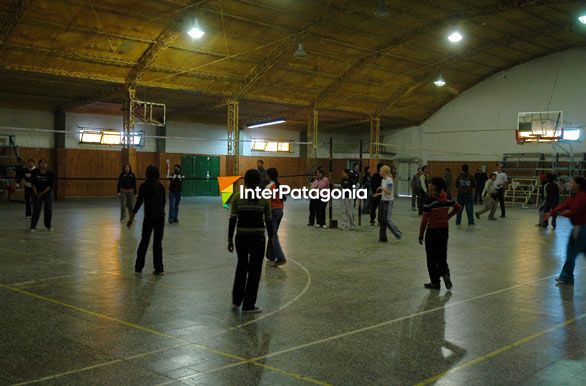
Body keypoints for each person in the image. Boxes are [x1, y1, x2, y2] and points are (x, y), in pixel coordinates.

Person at [228, 169, 274, 313]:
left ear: (245, 181)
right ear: (258, 181)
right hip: (258, 239)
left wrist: (229, 239)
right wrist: (271, 239)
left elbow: (232, 220)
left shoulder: (237, 197)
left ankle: (236, 300)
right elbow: (269, 221)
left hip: (241, 237)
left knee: (241, 267)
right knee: (255, 271)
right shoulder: (264, 198)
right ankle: (249, 305)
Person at [419, 177, 461, 290]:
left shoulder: (429, 201)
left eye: (430, 184)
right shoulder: (447, 198)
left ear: (434, 187)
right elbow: (458, 207)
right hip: (443, 231)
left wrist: (421, 234)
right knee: (442, 255)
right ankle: (445, 274)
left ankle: (435, 282)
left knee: (431, 258)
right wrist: (447, 217)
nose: (429, 185)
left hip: (432, 232)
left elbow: (424, 220)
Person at [544, 176, 586, 285]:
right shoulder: (574, 196)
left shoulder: (582, 196)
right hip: (579, 229)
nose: (570, 184)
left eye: (572, 182)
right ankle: (566, 276)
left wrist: (560, 214)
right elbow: (564, 205)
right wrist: (552, 213)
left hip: (582, 229)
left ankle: (566, 277)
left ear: (578, 185)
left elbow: (575, 212)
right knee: (571, 253)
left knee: (571, 253)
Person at [128, 165, 166, 275]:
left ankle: (138, 268)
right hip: (160, 216)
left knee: (144, 241)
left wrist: (132, 216)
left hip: (150, 216)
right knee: (157, 243)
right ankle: (159, 269)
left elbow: (139, 202)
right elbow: (163, 202)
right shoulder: (161, 186)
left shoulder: (144, 186)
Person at [265, 167, 287, 266]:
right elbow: (283, 199)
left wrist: (267, 214)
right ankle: (271, 255)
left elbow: (267, 201)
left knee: (273, 236)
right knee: (272, 234)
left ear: (269, 176)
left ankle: (281, 258)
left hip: (273, 212)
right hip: (280, 211)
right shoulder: (278, 185)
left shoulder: (270, 186)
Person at [374, 165, 402, 242]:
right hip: (383, 201)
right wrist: (378, 194)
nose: (379, 172)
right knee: (382, 220)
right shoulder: (383, 180)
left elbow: (389, 191)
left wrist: (381, 188)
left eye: (380, 171)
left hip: (388, 202)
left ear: (384, 172)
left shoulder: (389, 180)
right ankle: (382, 238)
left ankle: (398, 233)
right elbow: (385, 192)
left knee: (386, 219)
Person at [29, 159, 54, 232]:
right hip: (36, 192)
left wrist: (42, 193)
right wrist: (36, 193)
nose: (43, 164)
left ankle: (48, 226)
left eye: (45, 163)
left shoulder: (50, 173)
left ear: (47, 165)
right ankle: (33, 226)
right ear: (39, 164)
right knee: (36, 210)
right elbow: (33, 183)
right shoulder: (34, 172)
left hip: (47, 193)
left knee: (48, 209)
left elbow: (50, 185)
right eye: (41, 163)